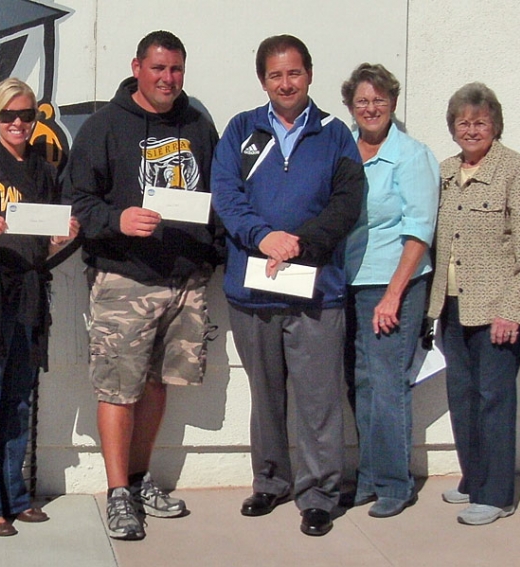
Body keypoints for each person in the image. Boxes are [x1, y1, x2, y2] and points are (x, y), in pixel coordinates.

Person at [65, 30, 220, 541]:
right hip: (124, 280)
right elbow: (80, 203)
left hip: (184, 279)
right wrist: (118, 220)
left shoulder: (197, 122)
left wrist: (212, 254)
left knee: (157, 385)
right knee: (118, 388)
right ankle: (116, 495)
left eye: (176, 69)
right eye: (158, 69)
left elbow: (218, 194)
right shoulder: (103, 127)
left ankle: (136, 481)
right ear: (137, 67)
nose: (168, 79)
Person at [211, 35, 365, 536]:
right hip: (252, 291)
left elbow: (347, 202)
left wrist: (300, 243)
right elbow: (227, 198)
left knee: (319, 399)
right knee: (267, 395)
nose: (285, 83)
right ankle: (271, 481)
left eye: (294, 73)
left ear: (310, 74)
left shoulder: (336, 134)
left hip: (317, 290)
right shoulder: (240, 130)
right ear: (263, 80)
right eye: (275, 75)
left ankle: (319, 493)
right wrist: (264, 236)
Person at [0, 78, 79, 537]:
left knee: (19, 401)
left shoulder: (46, 171)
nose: (18, 123)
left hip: (30, 290)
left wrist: (64, 231)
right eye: (8, 115)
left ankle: (16, 496)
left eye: (25, 115)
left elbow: (50, 237)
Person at [428, 83, 520, 526]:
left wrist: (513, 311)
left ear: (495, 124)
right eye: (463, 122)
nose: (471, 129)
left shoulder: (516, 171)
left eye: (480, 122)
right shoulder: (444, 172)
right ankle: (474, 478)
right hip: (453, 305)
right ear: (453, 127)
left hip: (498, 309)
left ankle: (497, 494)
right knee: (462, 395)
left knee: (494, 397)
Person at [341, 63, 439, 518]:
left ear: (393, 102)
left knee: (387, 385)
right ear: (351, 107)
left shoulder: (411, 155)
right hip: (350, 281)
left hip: (391, 281)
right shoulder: (344, 150)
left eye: (379, 99)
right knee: (360, 383)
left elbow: (419, 231)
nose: (371, 108)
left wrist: (393, 295)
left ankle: (396, 484)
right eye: (362, 101)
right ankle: (368, 478)